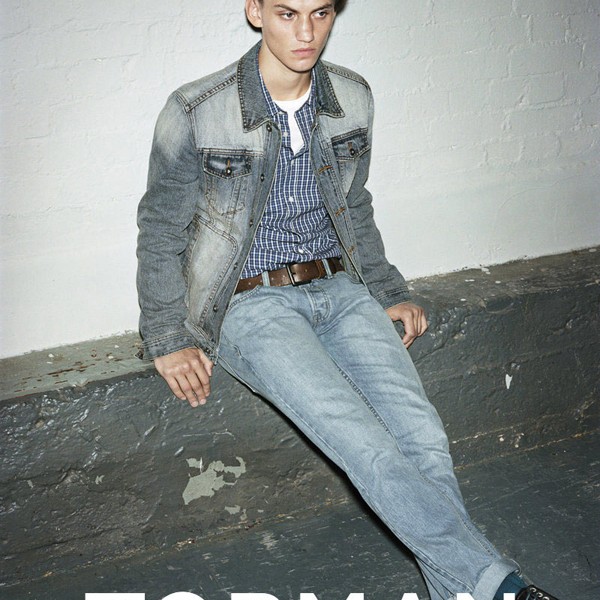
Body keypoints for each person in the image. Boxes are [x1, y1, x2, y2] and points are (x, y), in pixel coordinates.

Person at [136, 2, 560, 599]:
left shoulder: (352, 97)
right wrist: (167, 336)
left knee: (424, 439)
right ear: (255, 10)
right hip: (251, 304)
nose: (306, 32)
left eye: (320, 13)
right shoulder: (197, 110)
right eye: (287, 13)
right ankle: (503, 587)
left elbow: (354, 202)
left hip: (341, 287)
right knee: (368, 447)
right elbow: (160, 228)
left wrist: (387, 290)